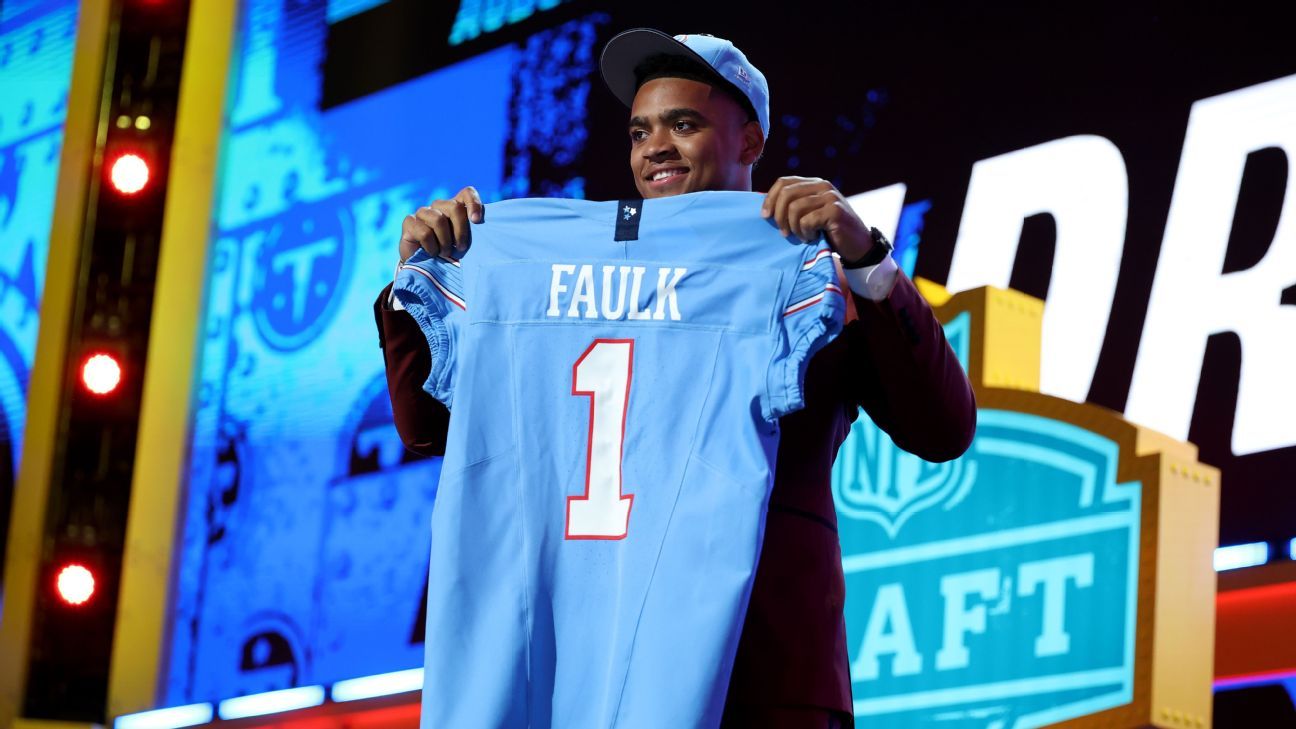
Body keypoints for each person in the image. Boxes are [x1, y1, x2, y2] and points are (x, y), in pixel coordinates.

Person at [374, 28, 976, 729]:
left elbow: (943, 428)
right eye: (640, 132)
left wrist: (866, 258)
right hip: (587, 663)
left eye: (683, 125)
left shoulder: (809, 269)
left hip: (761, 673)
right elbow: (429, 429)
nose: (654, 147)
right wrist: (417, 279)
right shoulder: (547, 264)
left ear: (750, 141)